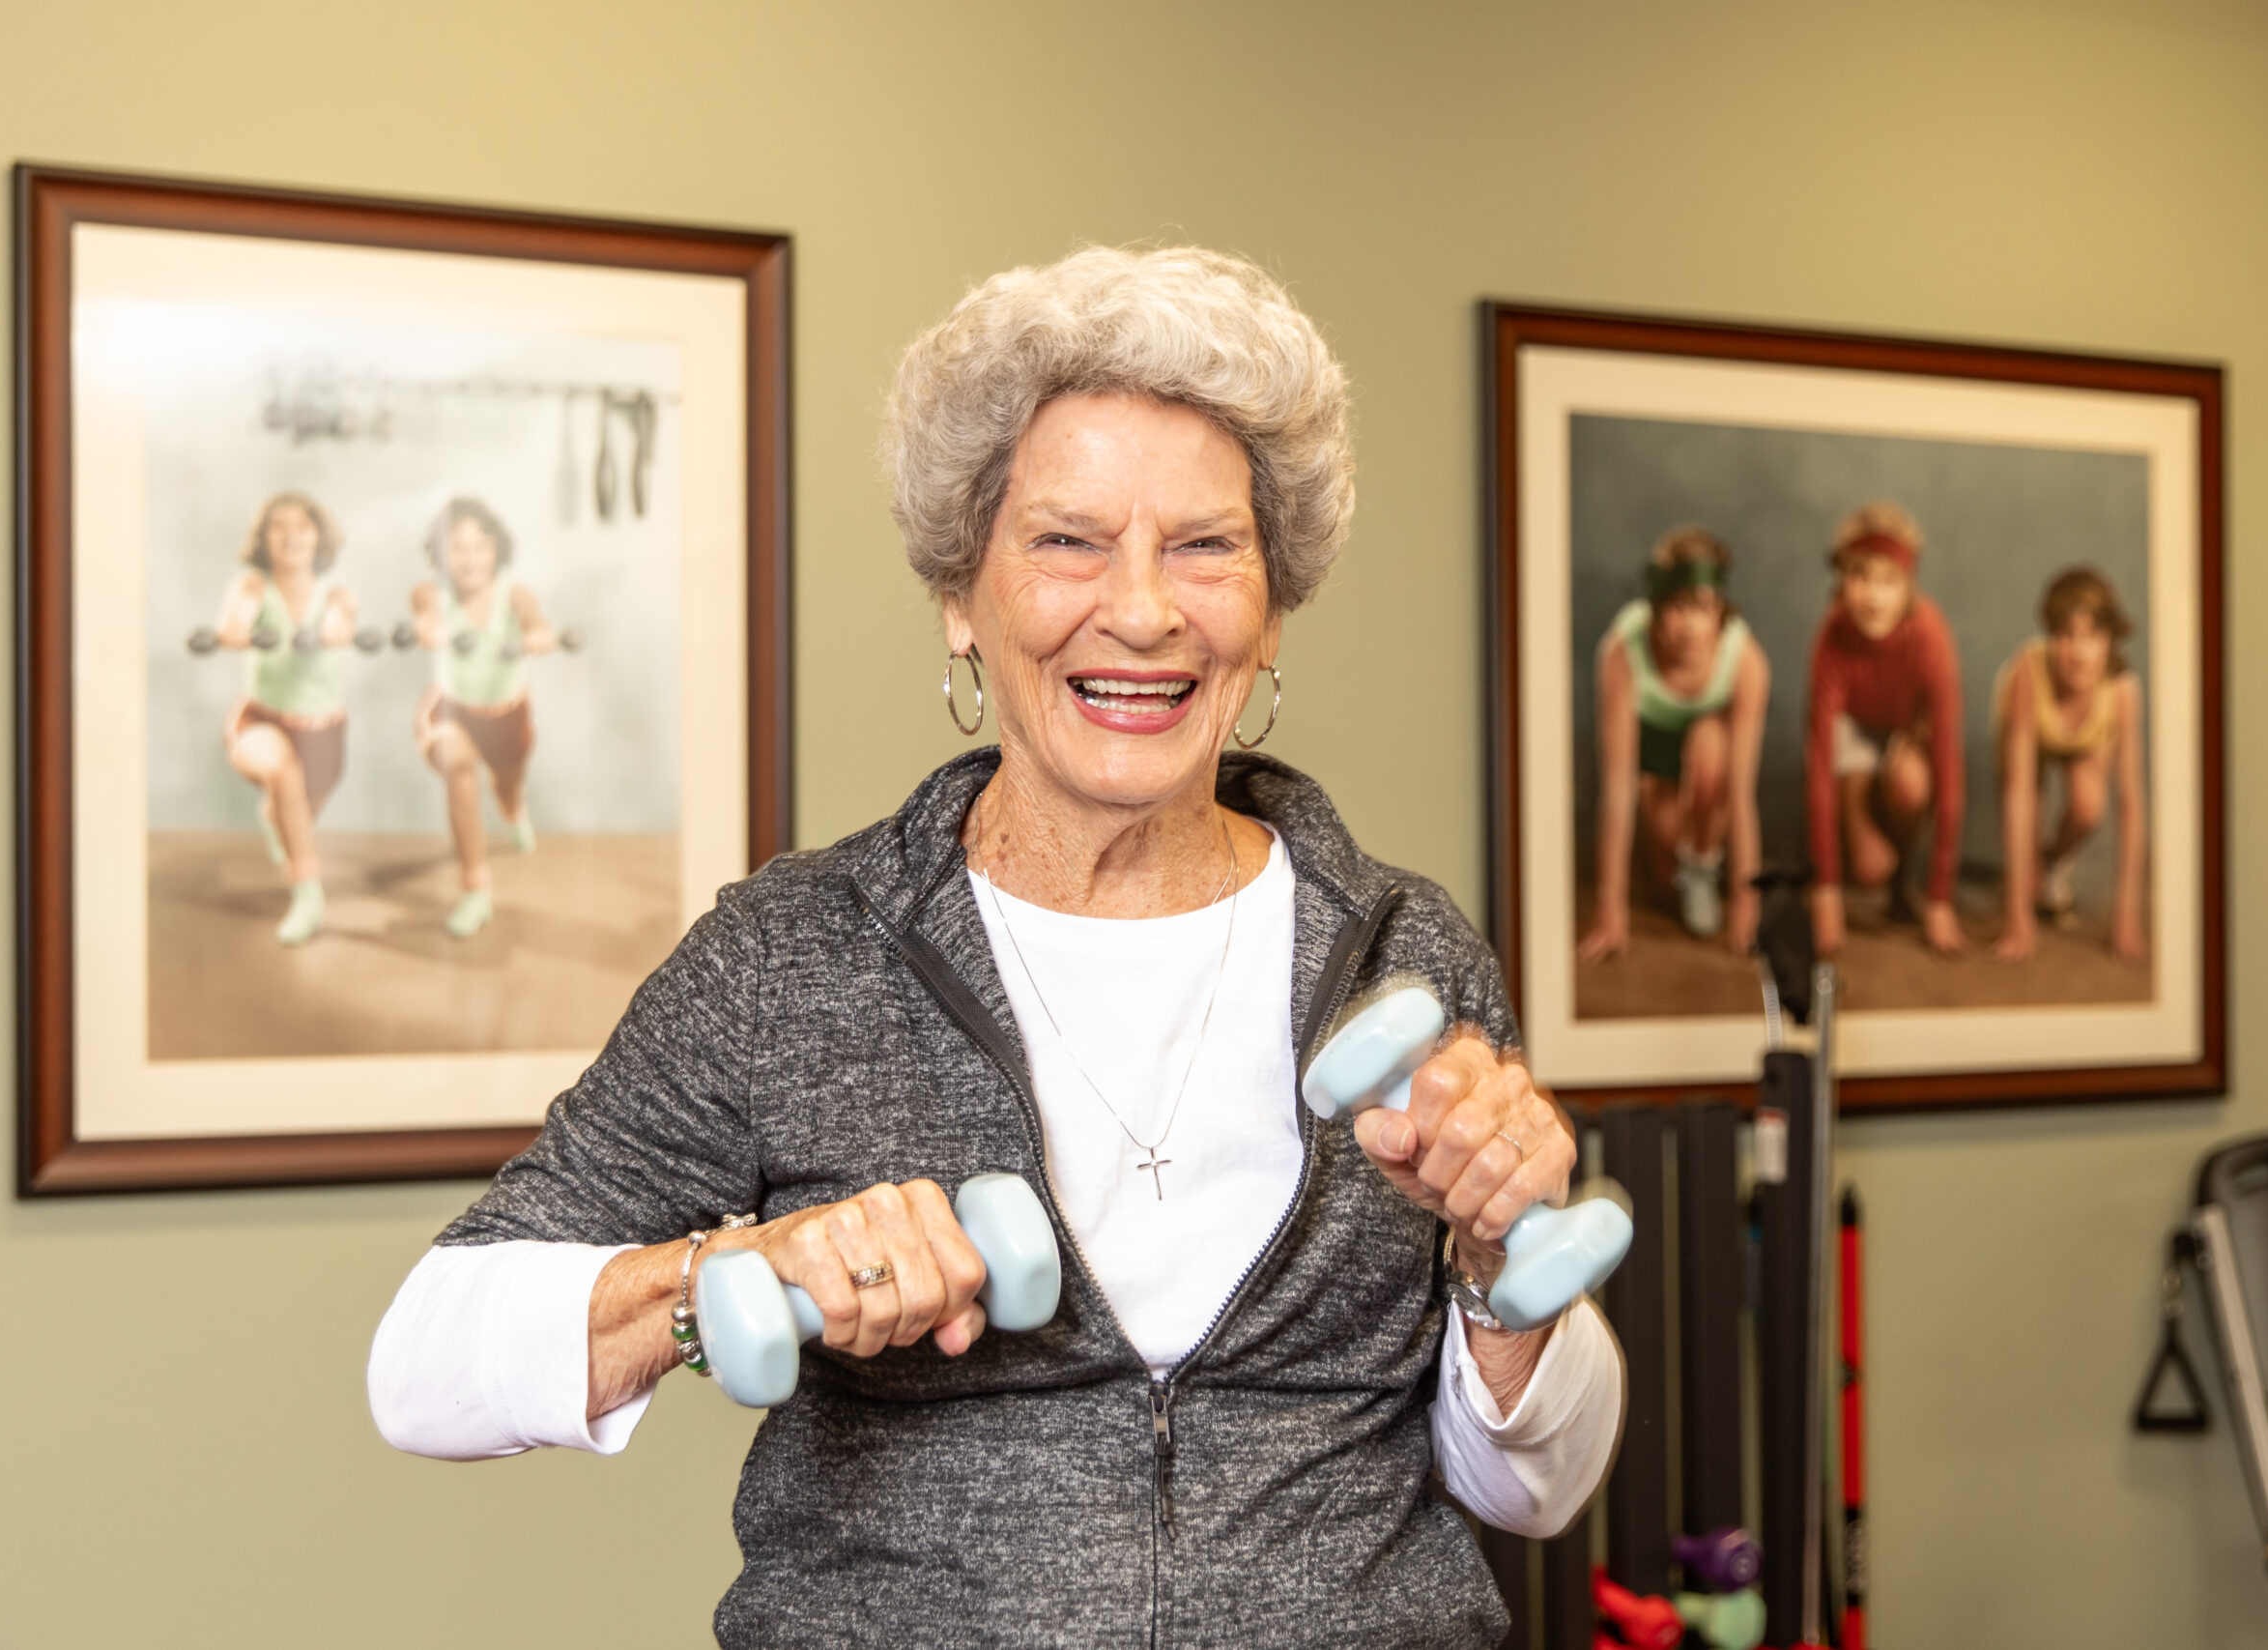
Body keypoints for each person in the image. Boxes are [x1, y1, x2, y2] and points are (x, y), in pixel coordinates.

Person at [368, 246, 1622, 1647]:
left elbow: (1533, 1485)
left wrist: (1506, 1262)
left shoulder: (1405, 949)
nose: (1142, 609)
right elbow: (422, 1362)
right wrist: (746, 1269)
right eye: (1067, 539)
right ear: (961, 597)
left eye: (1206, 546)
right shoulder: (796, 958)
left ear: (1271, 610)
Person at [1577, 527, 1770, 963]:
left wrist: (1747, 906)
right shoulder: (1623, 650)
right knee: (1667, 887)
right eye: (1677, 607)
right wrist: (1611, 909)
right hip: (1655, 765)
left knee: (1709, 742)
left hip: (1710, 763)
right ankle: (1674, 865)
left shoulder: (1745, 659)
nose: (1690, 625)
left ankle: (1703, 861)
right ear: (1656, 610)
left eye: (1702, 608)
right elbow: (1618, 787)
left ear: (1721, 612)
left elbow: (1742, 794)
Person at [1803, 501, 1966, 957]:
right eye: (1859, 577)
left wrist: (1941, 897)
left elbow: (1949, 764)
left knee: (1913, 784)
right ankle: (1858, 823)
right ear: (1840, 582)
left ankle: (1905, 882)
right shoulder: (1831, 637)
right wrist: (1826, 891)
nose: (1873, 597)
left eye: (1889, 580)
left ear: (1908, 584)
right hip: (1852, 737)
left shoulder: (1930, 635)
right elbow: (1817, 766)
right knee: (1867, 869)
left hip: (1904, 732)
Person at [406, 497, 567, 939]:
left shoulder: (515, 594)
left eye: (479, 546)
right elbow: (425, 617)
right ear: (441, 553)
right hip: (450, 712)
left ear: (497, 549)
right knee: (459, 769)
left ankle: (514, 812)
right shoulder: (430, 592)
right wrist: (430, 629)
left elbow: (536, 623)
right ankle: (475, 888)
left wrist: (539, 636)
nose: (469, 558)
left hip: (507, 715)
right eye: (457, 547)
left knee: (507, 789)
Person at [206, 491, 358, 946]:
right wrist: (246, 630)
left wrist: (325, 633)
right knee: (282, 771)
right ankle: (308, 895)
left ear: (319, 536)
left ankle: (276, 819)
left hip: (325, 735)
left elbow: (339, 624)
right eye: (279, 526)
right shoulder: (252, 586)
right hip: (261, 721)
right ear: (264, 538)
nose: (291, 536)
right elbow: (233, 624)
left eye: (303, 526)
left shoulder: (338, 595)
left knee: (295, 818)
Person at [1992, 566, 2147, 963]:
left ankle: (2055, 862)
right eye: (2065, 636)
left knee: (2089, 805)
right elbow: (2019, 795)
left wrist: (2126, 920)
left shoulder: (2123, 691)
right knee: (2027, 851)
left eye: (2092, 636)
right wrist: (2016, 917)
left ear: (2110, 639)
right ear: (2050, 638)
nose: (2078, 653)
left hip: (2085, 735)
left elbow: (2130, 803)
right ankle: (2030, 876)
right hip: (2032, 729)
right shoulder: (2028, 674)